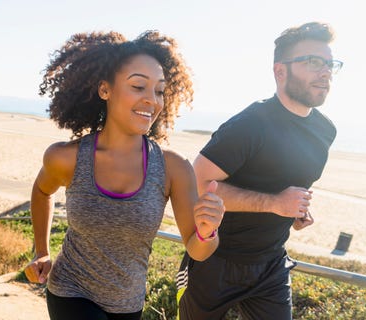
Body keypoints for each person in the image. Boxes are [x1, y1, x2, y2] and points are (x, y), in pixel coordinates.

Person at [24, 30, 225, 320]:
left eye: (158, 91)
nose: (152, 101)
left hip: (127, 305)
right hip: (71, 291)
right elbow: (42, 191)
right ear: (105, 90)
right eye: (138, 86)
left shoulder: (173, 168)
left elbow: (198, 251)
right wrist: (41, 251)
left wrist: (208, 231)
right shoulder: (66, 157)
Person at [179, 22, 342, 319]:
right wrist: (275, 203)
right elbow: (199, 183)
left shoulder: (325, 130)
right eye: (314, 62)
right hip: (215, 259)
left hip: (271, 264)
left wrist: (295, 211)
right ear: (281, 71)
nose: (326, 72)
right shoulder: (250, 124)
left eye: (330, 64)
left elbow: (287, 182)